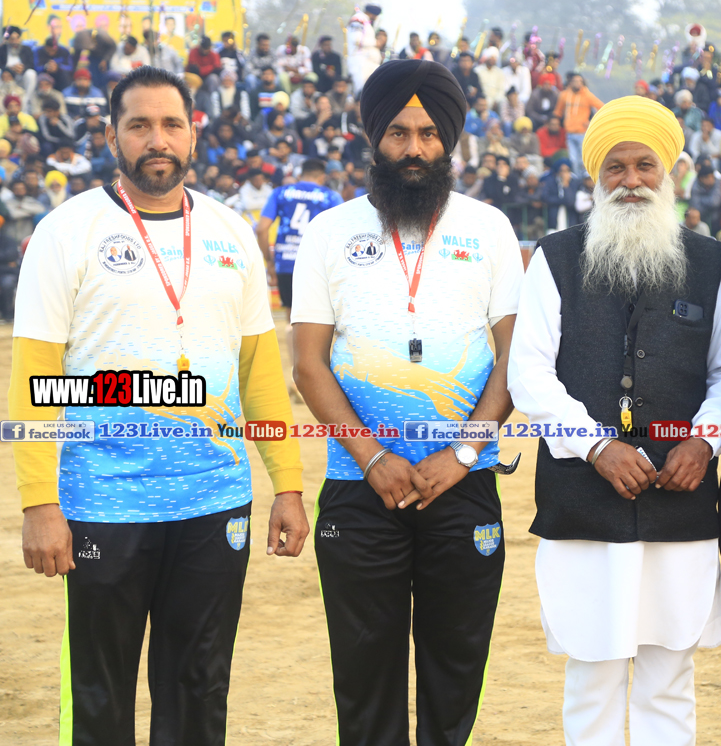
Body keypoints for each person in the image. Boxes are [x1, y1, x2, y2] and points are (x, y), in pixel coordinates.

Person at [10, 66, 306, 744]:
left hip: (214, 499)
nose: (157, 139)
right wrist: (39, 503)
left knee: (200, 685)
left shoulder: (231, 231)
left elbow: (259, 374)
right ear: (111, 135)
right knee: (100, 690)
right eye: (139, 125)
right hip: (102, 501)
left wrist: (287, 486)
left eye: (171, 124)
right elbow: (35, 376)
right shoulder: (67, 231)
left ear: (193, 134)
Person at [291, 58, 523, 746]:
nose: (414, 148)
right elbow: (308, 365)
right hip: (360, 487)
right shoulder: (330, 231)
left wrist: (463, 453)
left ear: (449, 140)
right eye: (398, 133)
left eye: (427, 134)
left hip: (464, 483)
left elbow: (514, 358)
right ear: (374, 138)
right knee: (364, 675)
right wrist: (372, 459)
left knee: (456, 668)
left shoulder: (490, 228)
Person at [507, 93, 721, 746]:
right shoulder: (554, 256)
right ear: (595, 177)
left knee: (670, 675)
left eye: (644, 166)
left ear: (670, 172)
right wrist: (597, 448)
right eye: (616, 167)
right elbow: (529, 374)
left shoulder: (710, 262)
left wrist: (703, 442)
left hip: (681, 497)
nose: (631, 181)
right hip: (583, 499)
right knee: (593, 673)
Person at [256, 158, 342, 398]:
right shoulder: (329, 196)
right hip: (318, 263)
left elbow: (261, 228)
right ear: (322, 176)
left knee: (291, 319)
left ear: (301, 173)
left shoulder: (281, 193)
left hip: (286, 262)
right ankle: (320, 379)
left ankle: (297, 380)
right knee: (324, 321)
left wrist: (269, 261)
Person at [554, 73, 604, 177]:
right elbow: (558, 112)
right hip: (569, 132)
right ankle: (577, 180)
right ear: (570, 83)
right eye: (575, 81)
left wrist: (592, 122)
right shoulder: (564, 95)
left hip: (582, 133)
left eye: (580, 81)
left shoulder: (587, 95)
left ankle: (585, 180)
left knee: (583, 160)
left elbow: (601, 107)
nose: (577, 83)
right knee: (573, 159)